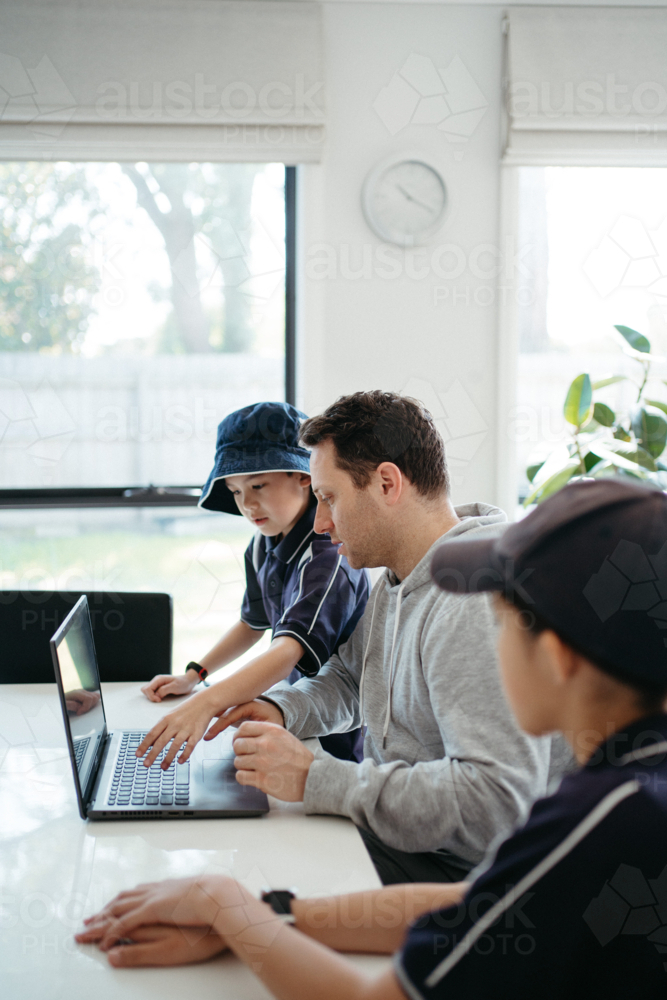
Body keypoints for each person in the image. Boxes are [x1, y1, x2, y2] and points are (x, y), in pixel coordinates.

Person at [76, 477, 667, 998]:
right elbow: (483, 901)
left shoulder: (604, 819)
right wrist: (273, 914)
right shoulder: (633, 787)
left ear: (559, 658)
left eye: (503, 616)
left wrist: (222, 902)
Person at [153, 391, 567, 885]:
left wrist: (315, 779)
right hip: (401, 839)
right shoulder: (398, 579)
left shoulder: (471, 602)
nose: (321, 523)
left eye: (328, 498)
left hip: (461, 875)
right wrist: (282, 708)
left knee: (232, 889)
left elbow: (495, 805)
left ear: (387, 483)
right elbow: (350, 679)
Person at [140, 401, 369, 762]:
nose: (247, 504)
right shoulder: (264, 544)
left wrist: (206, 702)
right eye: (234, 491)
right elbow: (252, 622)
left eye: (258, 485)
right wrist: (194, 675)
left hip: (335, 738)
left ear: (304, 476)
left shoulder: (329, 556)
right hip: (289, 713)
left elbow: (287, 651)